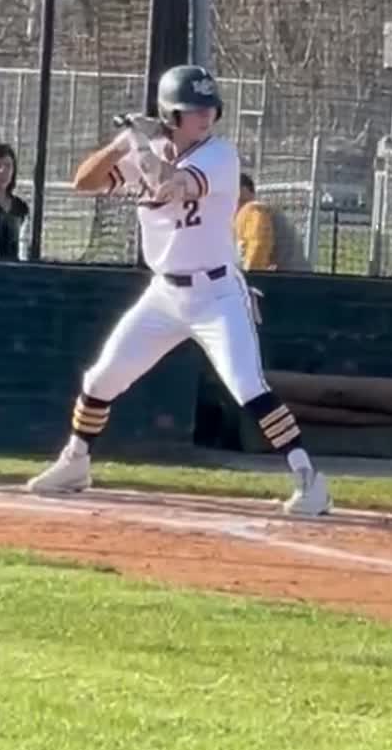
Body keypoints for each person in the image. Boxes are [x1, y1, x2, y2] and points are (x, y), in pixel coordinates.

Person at [24, 65, 332, 517]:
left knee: (248, 386)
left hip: (217, 293)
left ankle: (310, 479)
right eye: (191, 110)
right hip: (164, 294)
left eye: (209, 107)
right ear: (171, 113)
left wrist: (146, 145)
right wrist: (121, 143)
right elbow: (84, 182)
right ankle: (76, 462)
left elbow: (173, 184)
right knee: (101, 378)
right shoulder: (146, 152)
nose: (204, 116)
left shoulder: (220, 156)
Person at [235, 172, 310, 272]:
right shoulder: (260, 212)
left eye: (241, 200)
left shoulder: (254, 211)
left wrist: (250, 277)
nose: (238, 205)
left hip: (287, 279)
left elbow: (258, 249)